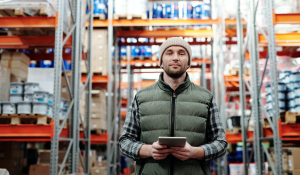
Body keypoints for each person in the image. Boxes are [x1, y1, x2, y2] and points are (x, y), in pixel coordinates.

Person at [119, 37, 228, 175]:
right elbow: (125, 142)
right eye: (169, 53)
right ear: (161, 62)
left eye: (181, 53)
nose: (175, 58)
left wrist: (195, 152)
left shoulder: (206, 98)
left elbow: (221, 143)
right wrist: (149, 150)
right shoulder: (141, 98)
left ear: (188, 63)